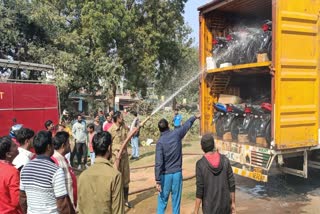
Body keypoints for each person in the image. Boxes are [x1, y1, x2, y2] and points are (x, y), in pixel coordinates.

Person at [19, 131, 75, 214]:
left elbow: (22, 199)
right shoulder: (56, 170)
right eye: (52, 145)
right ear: (49, 147)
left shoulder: (25, 169)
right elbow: (62, 203)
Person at [155, 114, 200, 214]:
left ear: (159, 130)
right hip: (177, 175)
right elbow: (187, 125)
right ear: (168, 126)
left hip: (165, 176)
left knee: (162, 202)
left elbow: (159, 162)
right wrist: (194, 117)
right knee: (176, 202)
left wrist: (158, 180)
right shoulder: (176, 134)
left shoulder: (160, 142)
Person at [77, 131, 124, 214]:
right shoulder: (115, 176)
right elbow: (118, 211)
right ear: (109, 148)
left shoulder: (82, 176)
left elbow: (80, 208)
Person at [194, 133, 236, 214]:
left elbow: (200, 189)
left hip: (209, 208)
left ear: (202, 147)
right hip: (225, 207)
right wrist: (233, 203)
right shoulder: (225, 160)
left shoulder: (200, 164)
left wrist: (196, 210)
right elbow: (232, 183)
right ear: (213, 145)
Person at [108, 111, 131, 208]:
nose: (122, 117)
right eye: (121, 116)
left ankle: (125, 200)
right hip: (115, 159)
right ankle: (116, 202)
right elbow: (109, 145)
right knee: (116, 180)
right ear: (117, 118)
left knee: (126, 179)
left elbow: (128, 137)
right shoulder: (111, 130)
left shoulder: (124, 127)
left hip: (124, 158)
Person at [52, 131, 77, 209]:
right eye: (68, 143)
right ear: (63, 145)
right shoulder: (57, 161)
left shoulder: (62, 159)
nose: (69, 145)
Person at [0, 136, 21, 214]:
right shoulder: (12, 172)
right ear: (8, 154)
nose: (17, 146)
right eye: (14, 145)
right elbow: (17, 200)